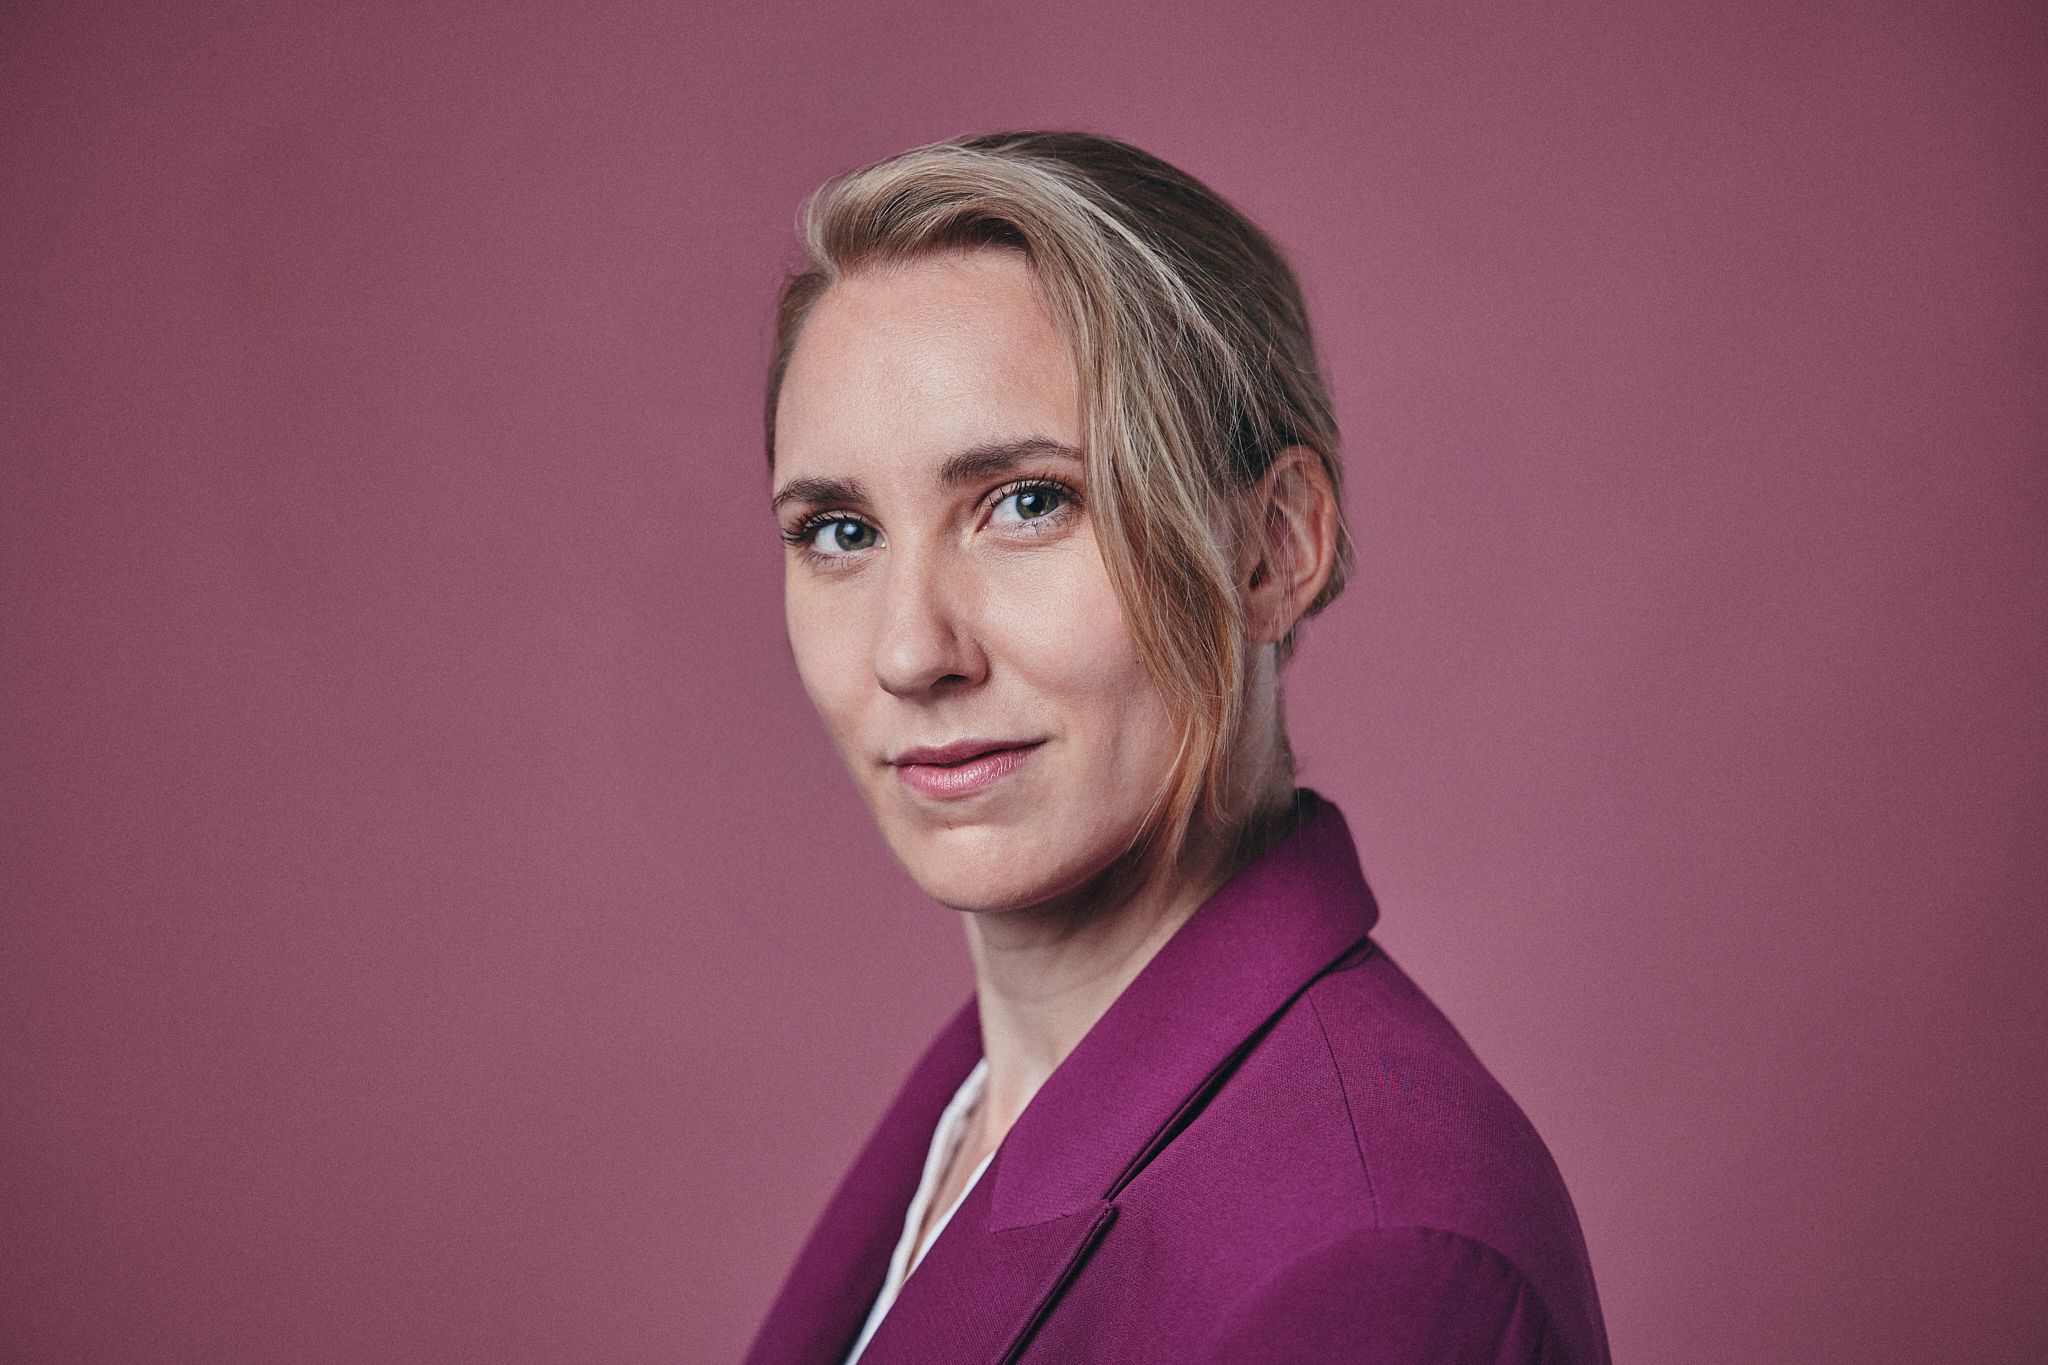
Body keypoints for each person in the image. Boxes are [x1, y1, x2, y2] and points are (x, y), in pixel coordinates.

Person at [743, 131, 1609, 1365]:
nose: (908, 651)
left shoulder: (1376, 1259)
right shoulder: (971, 1116)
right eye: (838, 531)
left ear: (1273, 547)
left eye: (1027, 502)